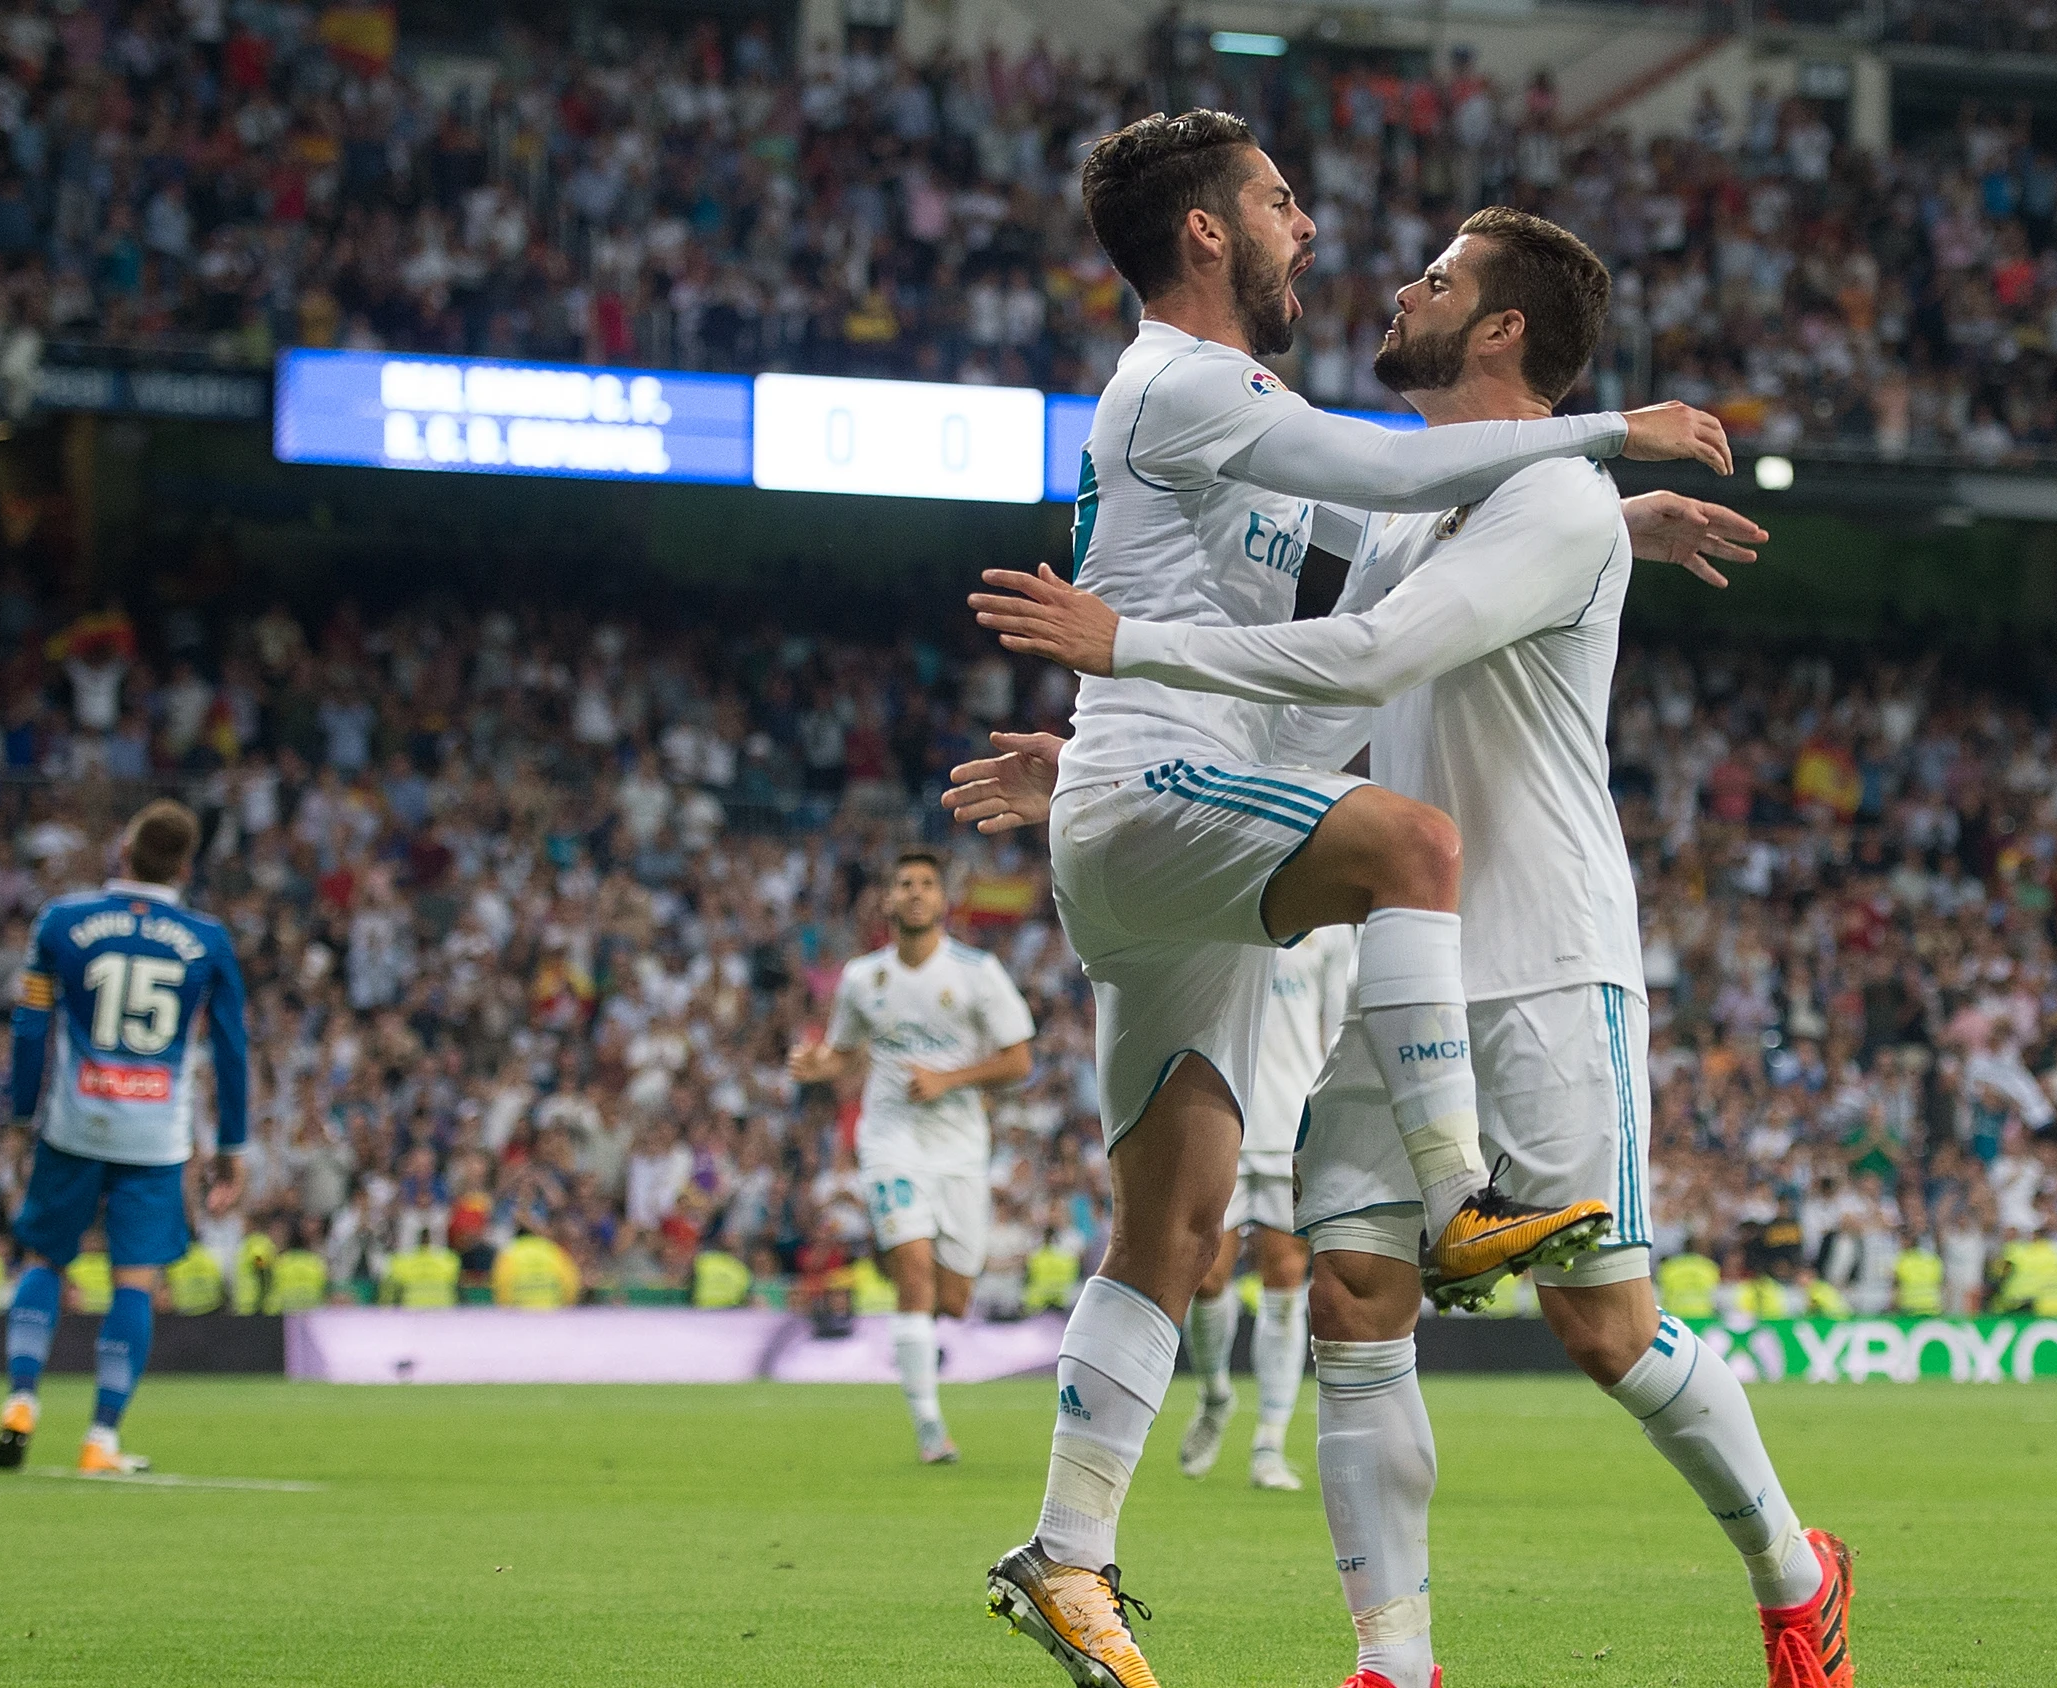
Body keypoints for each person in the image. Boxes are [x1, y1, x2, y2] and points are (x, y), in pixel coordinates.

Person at [968, 207, 1849, 1688]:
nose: (1397, 288)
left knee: (1607, 1331)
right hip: (1407, 956)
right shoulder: (1423, 513)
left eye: (1436, 282)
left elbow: (1377, 654)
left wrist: (1129, 647)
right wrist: (1108, 768)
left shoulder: (1561, 499)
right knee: (1353, 1302)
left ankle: (1791, 1565)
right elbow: (1320, 709)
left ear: (1500, 332)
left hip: (1547, 956)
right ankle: (1396, 1663)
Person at [0, 800, 250, 1476]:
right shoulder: (208, 939)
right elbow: (230, 1048)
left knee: (45, 1260)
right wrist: (233, 1145)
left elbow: (28, 1026)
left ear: (123, 851)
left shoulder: (63, 921)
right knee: (133, 1282)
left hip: (75, 1121)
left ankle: (21, 1397)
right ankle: (100, 1438)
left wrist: (22, 1116)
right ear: (186, 867)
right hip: (156, 1137)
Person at [790, 850, 1035, 1465]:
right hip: (892, 1141)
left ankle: (896, 1251)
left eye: (927, 884)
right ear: (889, 901)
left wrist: (949, 1080)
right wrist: (820, 1065)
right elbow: (845, 1054)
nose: (917, 893)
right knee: (916, 1276)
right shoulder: (862, 979)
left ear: (942, 901)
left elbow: (1018, 1060)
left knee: (952, 1298)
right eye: (905, 885)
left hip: (958, 1150)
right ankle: (930, 1430)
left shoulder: (977, 973)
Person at [1179, 922, 1352, 1493]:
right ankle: (1215, 1396)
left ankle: (1269, 1444)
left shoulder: (1330, 931)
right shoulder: (1233, 898)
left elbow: (1338, 1029)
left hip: (1291, 1124)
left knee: (1284, 1278)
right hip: (1225, 1115)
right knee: (1206, 1277)